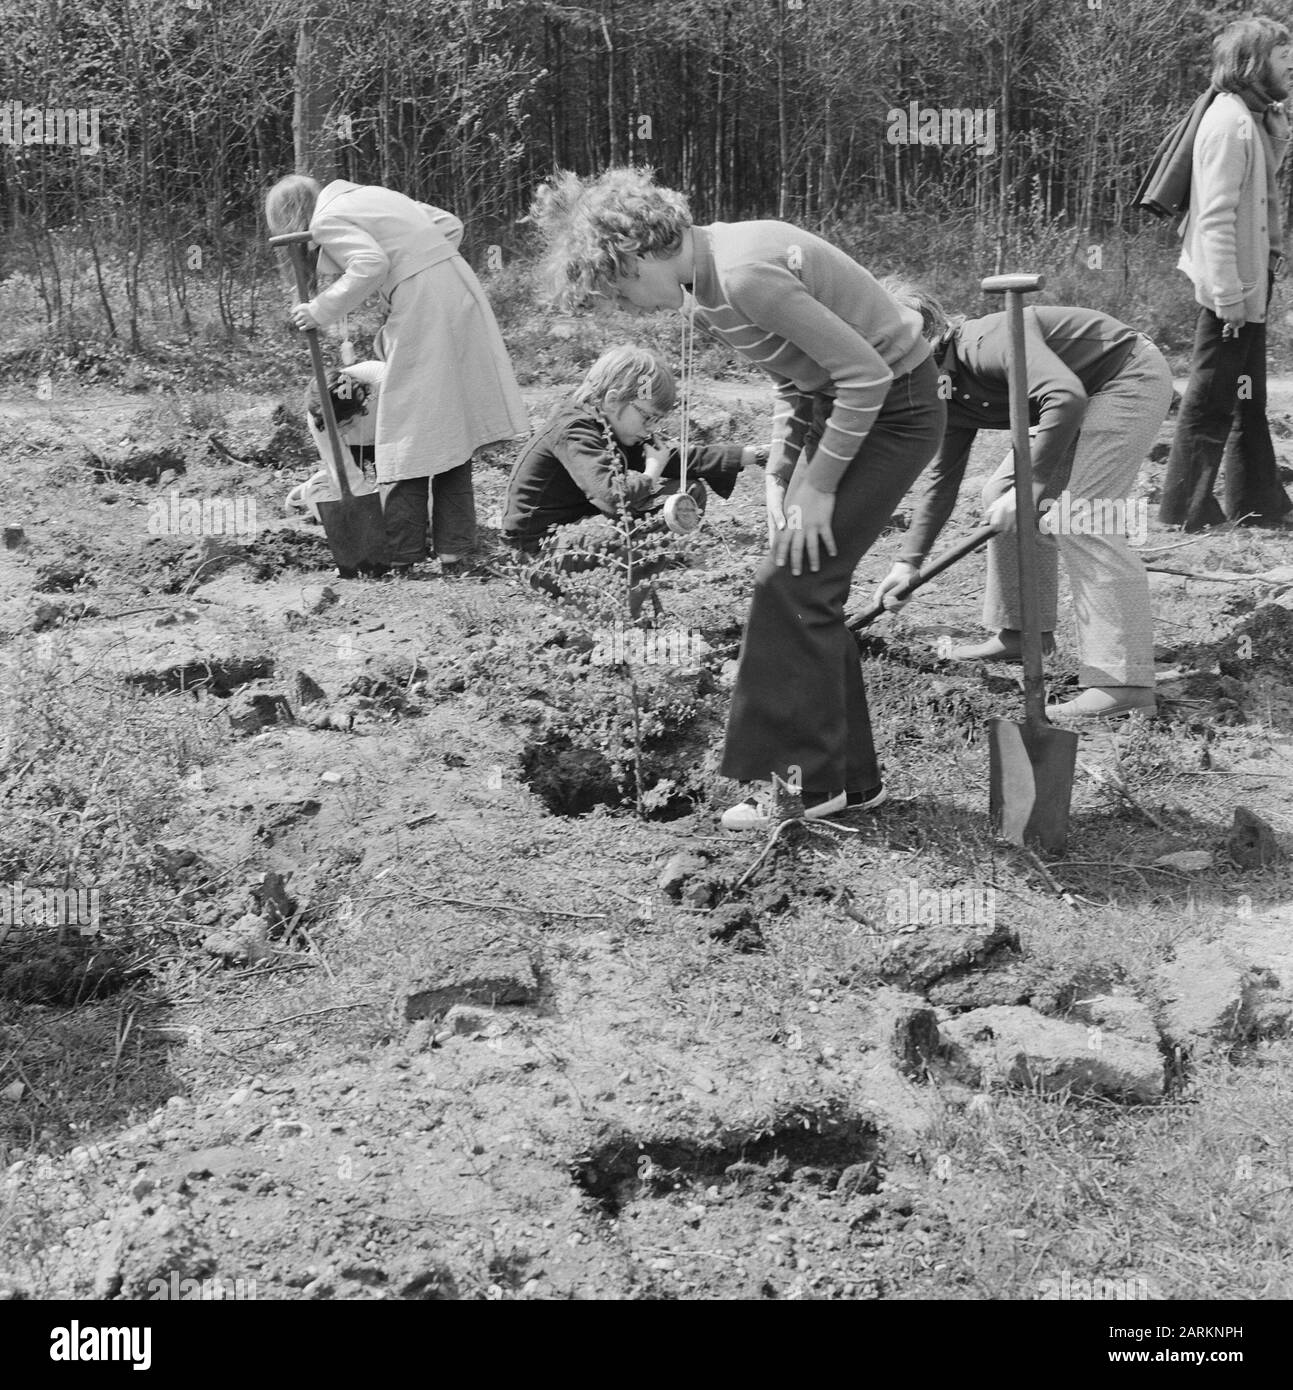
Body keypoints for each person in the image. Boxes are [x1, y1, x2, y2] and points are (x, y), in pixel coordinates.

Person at [529, 167, 946, 829]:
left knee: (789, 584)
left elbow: (864, 375)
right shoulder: (707, 290)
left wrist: (819, 487)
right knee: (804, 582)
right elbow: (794, 376)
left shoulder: (746, 271)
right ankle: (849, 780)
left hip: (893, 408)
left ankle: (803, 787)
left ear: (639, 254)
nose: (630, 307)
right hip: (847, 409)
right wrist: (783, 468)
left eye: (621, 287)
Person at [873, 284, 1173, 721]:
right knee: (997, 493)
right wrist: (908, 562)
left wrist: (1029, 487)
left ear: (926, 340)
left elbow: (1064, 397)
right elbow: (942, 479)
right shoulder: (938, 385)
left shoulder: (986, 344)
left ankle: (1123, 683)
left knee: (1082, 518)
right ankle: (1022, 632)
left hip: (1125, 376)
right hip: (1076, 397)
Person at [265, 174, 529, 574]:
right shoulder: (371, 197)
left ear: (291, 218)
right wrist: (419, 266)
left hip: (426, 304)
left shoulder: (326, 219)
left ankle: (403, 553)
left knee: (407, 429)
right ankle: (454, 552)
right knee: (450, 421)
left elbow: (371, 263)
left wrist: (319, 310)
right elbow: (449, 225)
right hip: (457, 292)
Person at [1159, 16, 1293, 531]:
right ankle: (1183, 512)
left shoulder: (1250, 118)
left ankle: (1257, 503)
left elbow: (1255, 197)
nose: (1291, 68)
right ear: (1255, 63)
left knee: (1245, 395)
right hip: (1232, 286)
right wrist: (1228, 295)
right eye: (1284, 59)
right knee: (1210, 400)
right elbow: (1215, 217)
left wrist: (1277, 140)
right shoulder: (1229, 122)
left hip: (1248, 279)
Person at [501, 345, 760, 608]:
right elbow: (613, 498)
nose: (652, 428)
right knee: (663, 512)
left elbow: (678, 459)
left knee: (688, 491)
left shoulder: (610, 423)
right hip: (539, 558)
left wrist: (754, 454)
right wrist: (650, 474)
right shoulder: (576, 429)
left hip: (566, 546)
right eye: (648, 417)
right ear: (613, 400)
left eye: (657, 420)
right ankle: (609, 612)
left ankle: (622, 597)